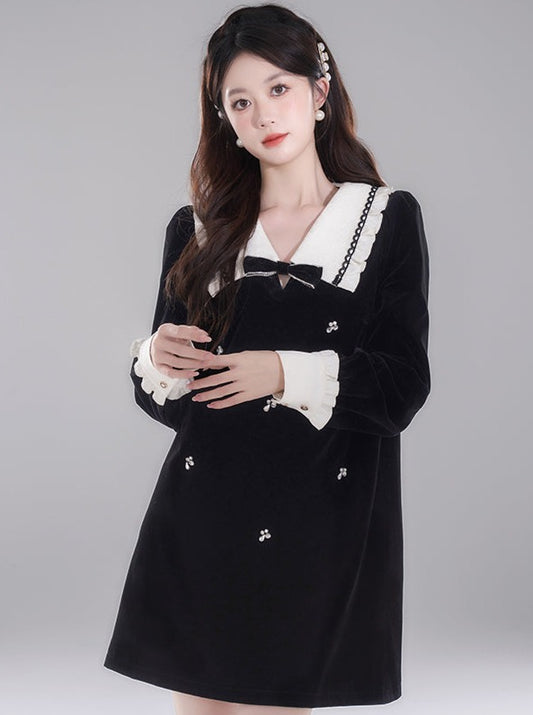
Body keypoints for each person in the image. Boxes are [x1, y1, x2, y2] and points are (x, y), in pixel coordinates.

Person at [103, 3, 431, 714]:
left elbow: (402, 386)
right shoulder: (196, 230)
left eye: (278, 88)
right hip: (201, 517)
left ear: (319, 91)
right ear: (225, 118)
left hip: (322, 524)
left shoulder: (384, 221)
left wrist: (283, 370)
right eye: (241, 101)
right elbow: (174, 404)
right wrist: (158, 356)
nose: (263, 114)